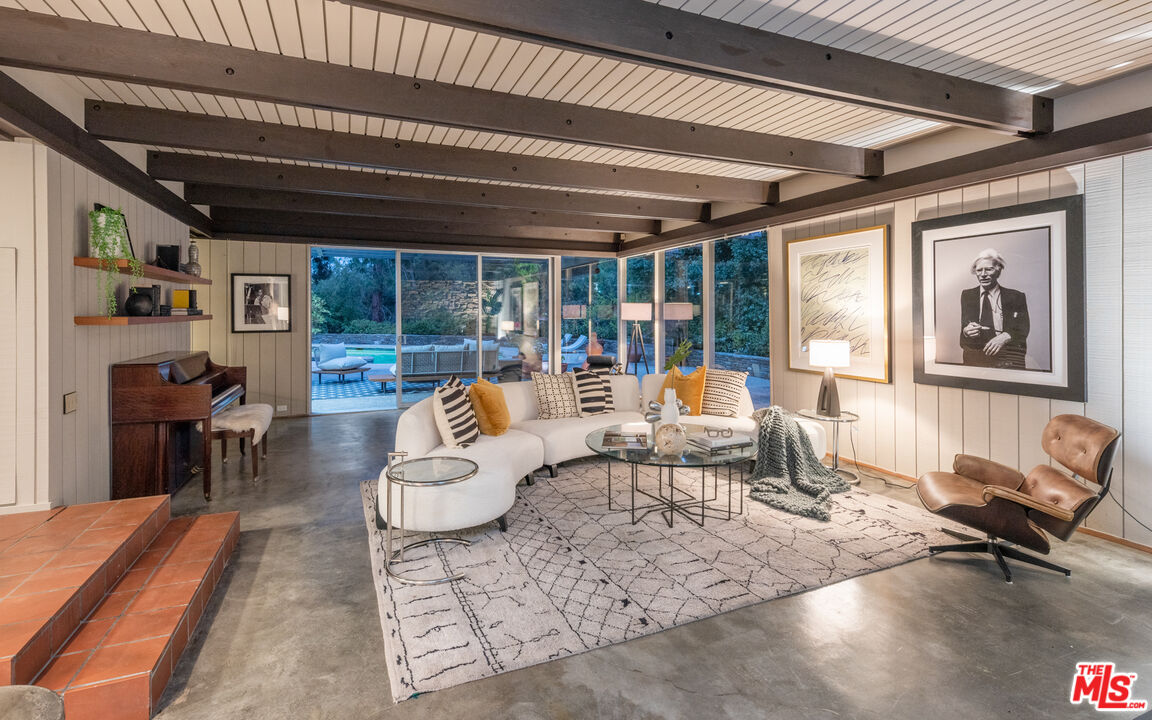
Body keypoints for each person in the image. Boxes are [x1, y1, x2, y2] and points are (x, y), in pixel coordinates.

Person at [959, 249, 1029, 368]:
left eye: (988, 269)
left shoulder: (1016, 297)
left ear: (998, 270)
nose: (983, 274)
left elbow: (1023, 328)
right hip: (975, 360)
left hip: (1007, 359)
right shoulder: (967, 295)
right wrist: (966, 332)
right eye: (979, 270)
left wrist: (1006, 336)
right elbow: (963, 334)